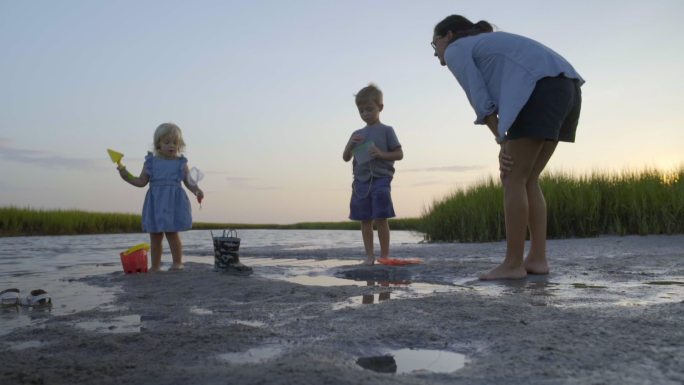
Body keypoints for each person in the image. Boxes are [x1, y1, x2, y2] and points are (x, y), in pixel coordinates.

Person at [431, 15, 584, 280]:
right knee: (528, 178)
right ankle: (537, 259)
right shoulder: (485, 43)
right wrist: (504, 137)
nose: (435, 54)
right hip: (566, 85)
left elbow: (478, 96)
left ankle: (513, 264)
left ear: (448, 35)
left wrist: (501, 140)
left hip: (541, 86)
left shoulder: (457, 49)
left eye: (434, 45)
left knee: (512, 177)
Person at [116, 123, 204, 272]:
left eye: (175, 143)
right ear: (158, 144)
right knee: (155, 235)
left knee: (172, 233)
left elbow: (189, 182)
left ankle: (177, 263)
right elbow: (141, 181)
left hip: (174, 203)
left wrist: (197, 190)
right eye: (167, 142)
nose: (171, 146)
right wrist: (125, 175)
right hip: (156, 202)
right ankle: (155, 266)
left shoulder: (180, 163)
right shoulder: (151, 162)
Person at [342, 84, 404, 265]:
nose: (365, 114)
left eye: (369, 109)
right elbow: (345, 157)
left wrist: (381, 154)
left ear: (380, 108)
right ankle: (369, 256)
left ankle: (384, 256)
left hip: (381, 178)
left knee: (381, 217)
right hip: (360, 182)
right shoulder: (357, 133)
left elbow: (399, 154)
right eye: (361, 111)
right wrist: (350, 145)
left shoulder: (387, 130)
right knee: (364, 219)